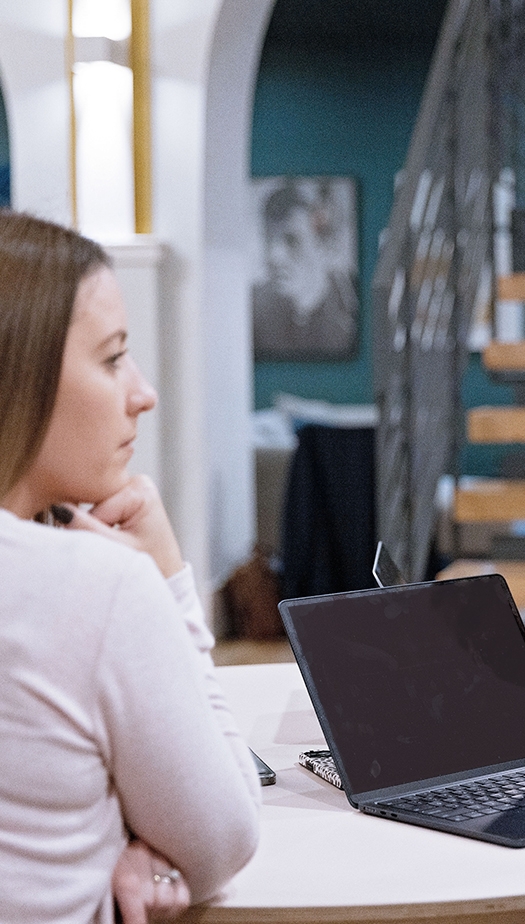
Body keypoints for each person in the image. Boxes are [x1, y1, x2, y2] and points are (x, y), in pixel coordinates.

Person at [0, 211, 261, 923]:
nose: (142, 393)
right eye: (113, 358)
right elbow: (228, 834)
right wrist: (171, 582)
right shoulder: (97, 586)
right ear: (19, 378)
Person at [252, 178, 358, 360]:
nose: (275, 256)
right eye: (270, 240)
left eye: (291, 240)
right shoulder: (255, 311)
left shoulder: (353, 307)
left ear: (323, 244)